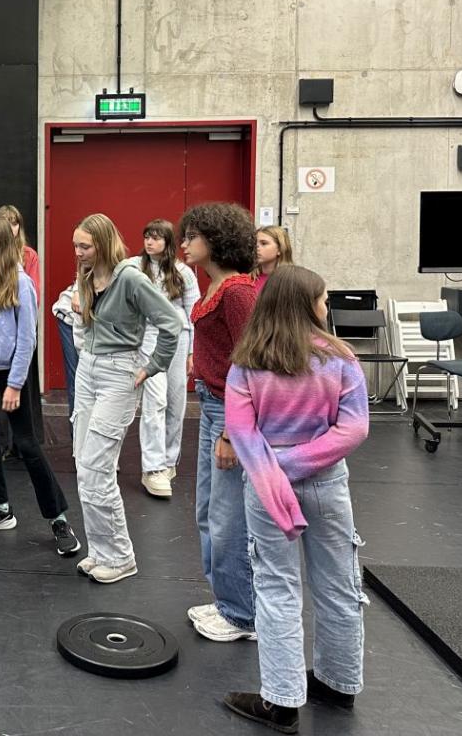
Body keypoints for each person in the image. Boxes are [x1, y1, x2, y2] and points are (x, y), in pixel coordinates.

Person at [222, 265, 369, 734]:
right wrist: (301, 463)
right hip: (327, 485)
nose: (326, 306)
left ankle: (281, 702)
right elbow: (354, 429)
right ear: (307, 304)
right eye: (323, 299)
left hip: (267, 487)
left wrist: (277, 469)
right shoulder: (341, 358)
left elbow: (241, 433)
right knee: (339, 583)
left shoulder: (247, 363)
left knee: (276, 589)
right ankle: (338, 684)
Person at [0, 215, 80, 556]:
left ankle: (58, 519)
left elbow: (27, 338)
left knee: (27, 445)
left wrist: (14, 384)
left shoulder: (20, 282)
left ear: (2, 242)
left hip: (10, 375)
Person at [70, 214, 180, 584]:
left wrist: (153, 366)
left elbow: (170, 323)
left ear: (103, 244)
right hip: (89, 368)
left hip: (119, 372)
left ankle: (120, 557)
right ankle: (100, 551)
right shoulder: (87, 274)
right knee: (85, 466)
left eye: (85, 246)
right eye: (76, 245)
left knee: (98, 467)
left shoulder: (131, 278)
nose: (78, 252)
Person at [180, 202, 260, 642]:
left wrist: (232, 430)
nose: (184, 244)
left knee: (229, 520)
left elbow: (253, 363)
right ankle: (228, 600)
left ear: (216, 240)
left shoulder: (237, 292)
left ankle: (242, 615)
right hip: (212, 405)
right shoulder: (214, 286)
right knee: (209, 513)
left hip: (230, 413)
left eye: (192, 236)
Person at [130, 218, 199, 499]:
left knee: (175, 400)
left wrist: (193, 351)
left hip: (179, 338)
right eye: (147, 236)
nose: (150, 242)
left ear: (168, 242)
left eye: (157, 237)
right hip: (148, 336)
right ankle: (153, 467)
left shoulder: (183, 272)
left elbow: (194, 314)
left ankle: (169, 461)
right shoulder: (134, 267)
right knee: (155, 401)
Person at [0, 204, 45, 445]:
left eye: (14, 223)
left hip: (21, 324)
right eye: (5, 222)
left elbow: (34, 292)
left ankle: (24, 440)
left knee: (23, 383)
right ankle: (2, 439)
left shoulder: (28, 255)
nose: (10, 227)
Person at [51, 283, 83, 417]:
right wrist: (77, 290)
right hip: (70, 317)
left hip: (93, 322)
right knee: (76, 379)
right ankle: (76, 427)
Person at [253, 225, 294, 293]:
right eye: (254, 243)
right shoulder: (248, 279)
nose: (256, 247)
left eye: (263, 243)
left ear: (280, 249)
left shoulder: (291, 281)